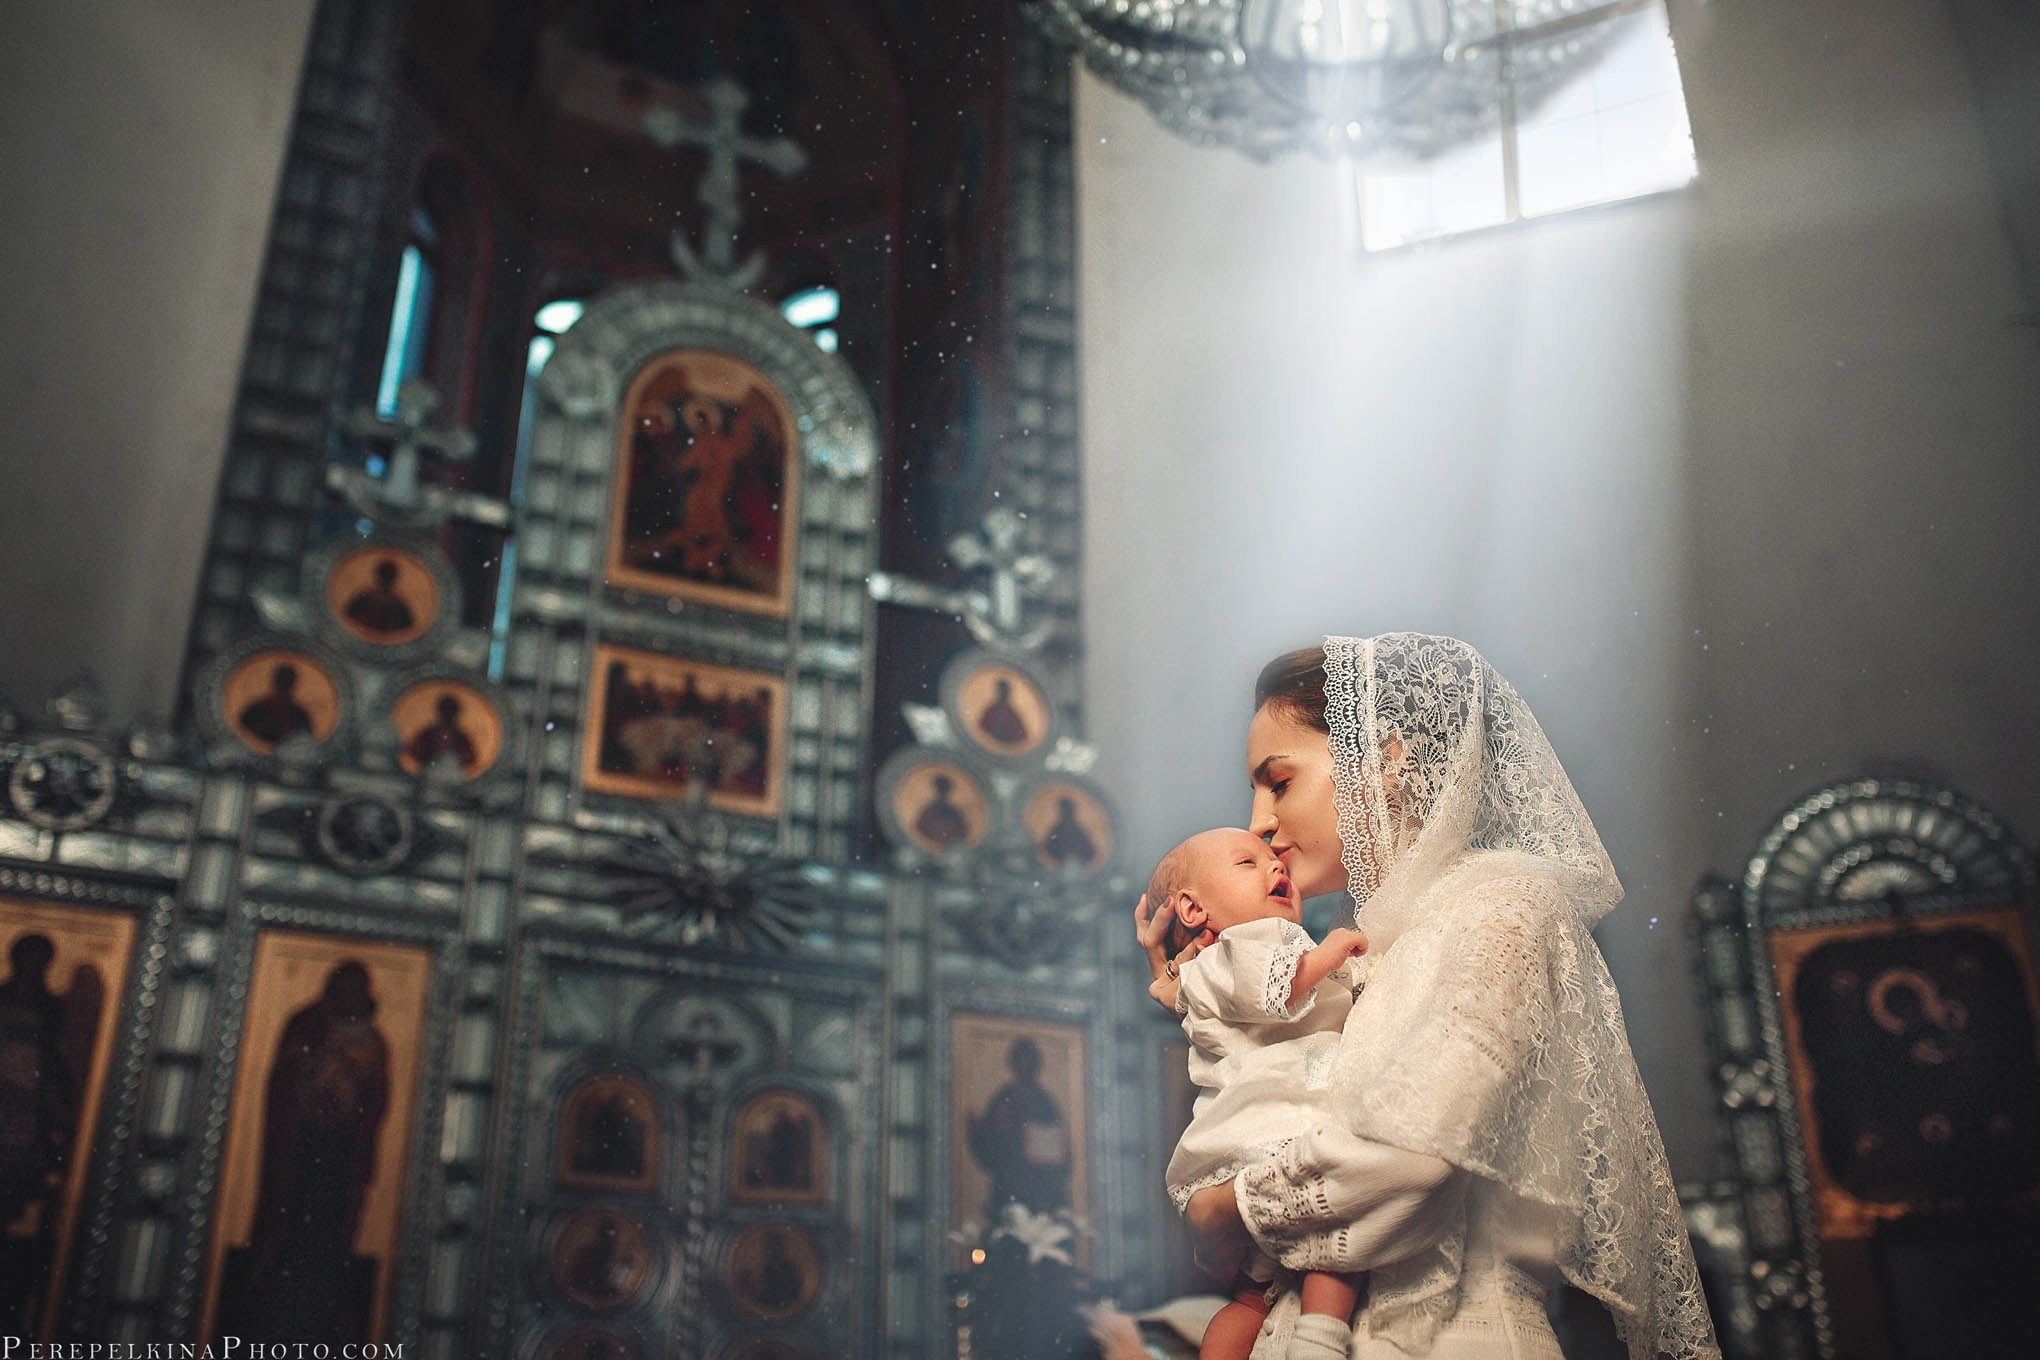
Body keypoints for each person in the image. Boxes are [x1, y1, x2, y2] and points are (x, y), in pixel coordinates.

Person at [1139, 635, 1719, 1360]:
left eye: (1278, 782)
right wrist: (1203, 1003)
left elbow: (1412, 1157)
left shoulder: (1502, 905)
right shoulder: (1362, 946)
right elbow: (1282, 1112)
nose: (1258, 820)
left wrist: (1224, 1208)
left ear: (1382, 761)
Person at [1144, 828, 1369, 1360]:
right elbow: (1280, 989)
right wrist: (1333, 953)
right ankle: (1320, 1339)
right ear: (1193, 909)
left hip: (1248, 1145)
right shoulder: (1242, 947)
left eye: (1274, 861)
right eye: (1248, 862)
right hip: (1277, 1130)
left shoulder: (1206, 970)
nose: (1276, 867)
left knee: (1250, 1299)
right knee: (1335, 1246)